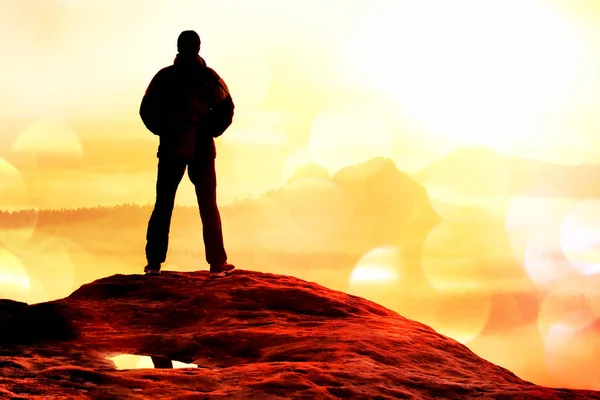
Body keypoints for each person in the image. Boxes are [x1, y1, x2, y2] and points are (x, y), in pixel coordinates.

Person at [140, 30, 235, 278]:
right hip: (203, 149)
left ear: (179, 47)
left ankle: (153, 265)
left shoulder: (164, 77)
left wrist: (165, 130)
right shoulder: (208, 77)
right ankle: (216, 264)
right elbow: (227, 108)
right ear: (199, 48)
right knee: (208, 205)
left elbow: (146, 110)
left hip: (172, 147)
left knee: (163, 204)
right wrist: (210, 131)